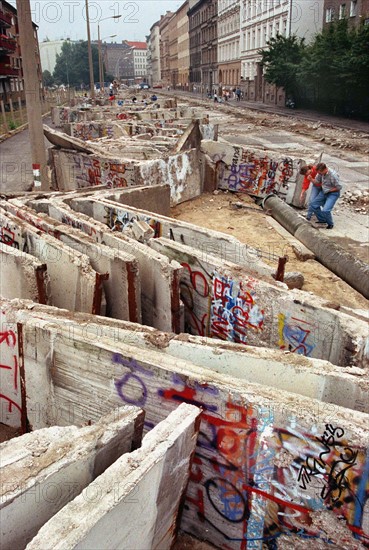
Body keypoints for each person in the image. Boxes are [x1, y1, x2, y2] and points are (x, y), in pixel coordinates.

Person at [310, 162, 342, 229]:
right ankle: (322, 220)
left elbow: (339, 187)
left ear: (324, 170)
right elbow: (317, 181)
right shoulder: (320, 174)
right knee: (313, 204)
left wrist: (329, 190)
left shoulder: (333, 175)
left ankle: (330, 224)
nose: (319, 174)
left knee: (326, 210)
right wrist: (311, 179)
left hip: (333, 193)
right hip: (324, 191)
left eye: (320, 173)